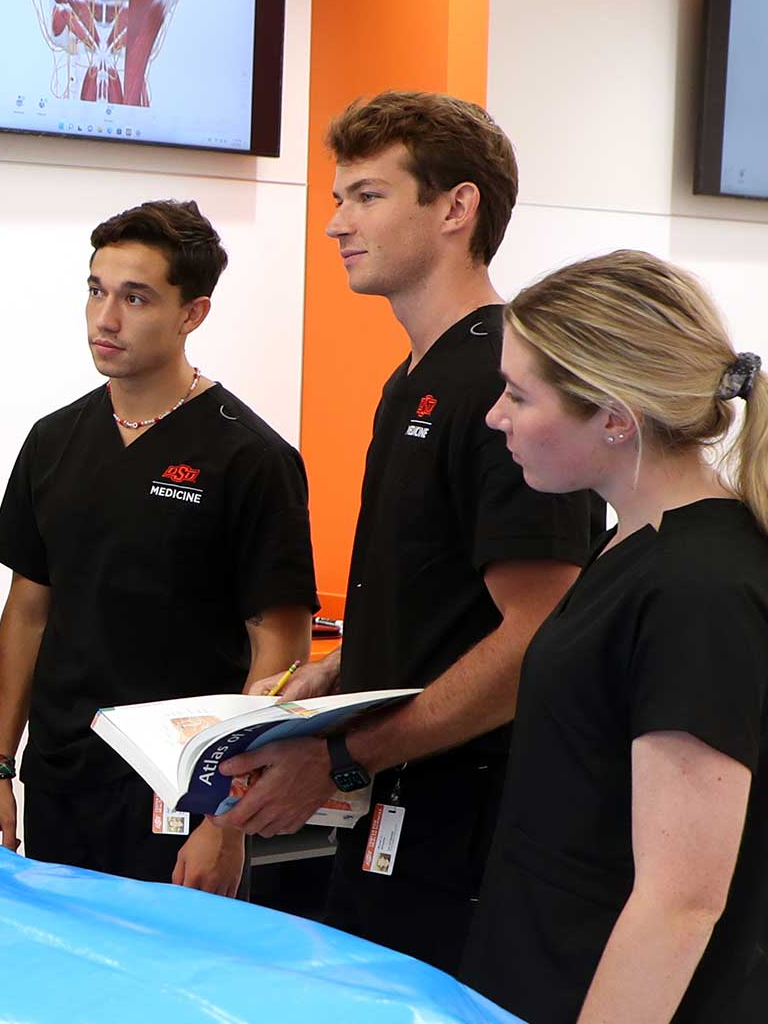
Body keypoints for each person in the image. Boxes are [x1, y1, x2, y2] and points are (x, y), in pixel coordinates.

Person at [213, 92, 598, 973]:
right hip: (398, 810)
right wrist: (343, 669)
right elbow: (443, 603)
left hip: (476, 828)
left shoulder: (507, 382)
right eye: (338, 196)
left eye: (366, 196)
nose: (335, 223)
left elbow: (539, 632)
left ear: (456, 207)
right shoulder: (413, 382)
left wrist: (343, 756)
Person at [462, 251, 768, 1022]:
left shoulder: (701, 591)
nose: (496, 416)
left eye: (518, 395)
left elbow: (680, 900)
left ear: (615, 419)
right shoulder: (633, 543)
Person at [0, 200, 317, 896]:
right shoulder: (53, 441)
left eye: (136, 298)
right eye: (97, 291)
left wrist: (227, 819)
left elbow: (280, 645)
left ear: (193, 314)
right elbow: (27, 614)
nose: (106, 318)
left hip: (182, 796)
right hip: (63, 780)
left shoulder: (250, 457)